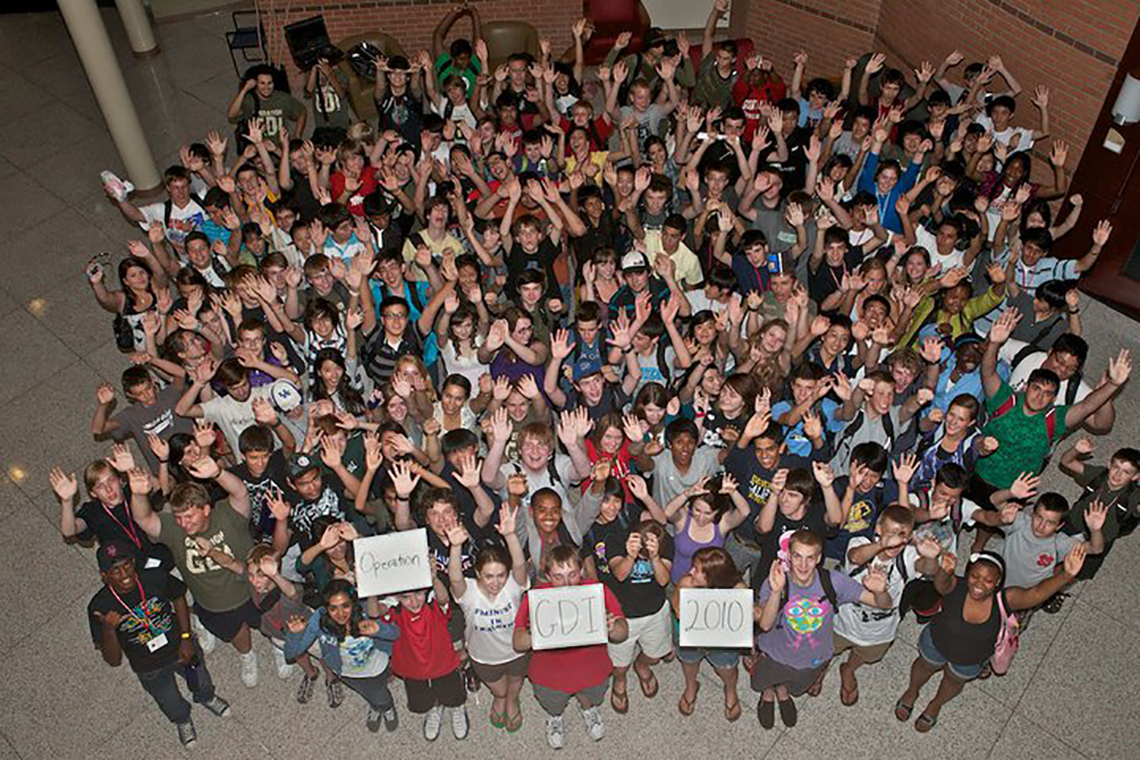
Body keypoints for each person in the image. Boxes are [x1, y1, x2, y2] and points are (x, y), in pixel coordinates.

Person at [895, 544, 1088, 732]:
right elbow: (941, 584)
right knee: (924, 666)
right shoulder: (957, 585)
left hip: (971, 658)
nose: (979, 584)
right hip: (936, 642)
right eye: (975, 576)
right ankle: (912, 691)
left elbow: (1034, 594)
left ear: (997, 582)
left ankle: (935, 704)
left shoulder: (1005, 599)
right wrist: (944, 571)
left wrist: (1065, 575)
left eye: (988, 580)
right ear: (967, 574)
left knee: (954, 681)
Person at [126, 459, 263, 687]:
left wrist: (218, 472)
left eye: (189, 516)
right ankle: (247, 654)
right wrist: (138, 495)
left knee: (270, 622)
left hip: (253, 585)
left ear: (206, 509)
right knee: (237, 634)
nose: (183, 523)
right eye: (178, 517)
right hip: (214, 601)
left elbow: (240, 492)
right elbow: (143, 519)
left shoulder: (228, 514)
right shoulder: (172, 528)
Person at [87, 540, 232, 748]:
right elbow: (113, 660)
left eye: (127, 564)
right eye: (115, 570)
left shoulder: (153, 577)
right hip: (148, 665)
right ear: (104, 575)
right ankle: (182, 720)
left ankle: (207, 697)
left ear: (134, 562)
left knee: (201, 679)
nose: (124, 574)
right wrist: (109, 629)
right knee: (169, 701)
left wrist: (186, 637)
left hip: (178, 645)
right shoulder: (99, 606)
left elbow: (179, 597)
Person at [752, 529, 892, 728]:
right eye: (797, 556)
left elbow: (884, 604)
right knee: (763, 681)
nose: (802, 565)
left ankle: (782, 691)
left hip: (813, 655)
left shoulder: (833, 582)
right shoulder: (776, 581)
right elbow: (765, 624)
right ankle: (768, 692)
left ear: (818, 558)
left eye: (810, 558)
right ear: (789, 556)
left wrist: (881, 592)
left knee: (797, 685)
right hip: (775, 652)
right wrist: (775, 592)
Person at [512, 546, 629, 749]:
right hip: (549, 674)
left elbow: (623, 632)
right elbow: (517, 642)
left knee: (590, 697)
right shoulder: (536, 597)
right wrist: (536, 632)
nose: (566, 583)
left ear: (582, 571)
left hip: (593, 668)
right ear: (548, 576)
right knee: (553, 704)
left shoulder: (597, 591)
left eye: (572, 574)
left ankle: (588, 710)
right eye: (558, 577)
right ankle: (555, 717)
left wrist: (613, 627)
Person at [448, 505, 529, 733]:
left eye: (501, 575)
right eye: (489, 576)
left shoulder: (513, 586)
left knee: (515, 682)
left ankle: (512, 700)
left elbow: (520, 565)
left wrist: (510, 535)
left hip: (517, 651)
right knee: (499, 688)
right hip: (483, 656)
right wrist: (455, 547)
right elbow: (455, 578)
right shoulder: (469, 592)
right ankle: (501, 698)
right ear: (477, 573)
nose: (496, 582)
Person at [284, 580, 401, 732]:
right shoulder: (320, 621)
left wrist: (378, 629)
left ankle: (385, 707)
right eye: (333, 608)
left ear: (354, 603)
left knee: (380, 694)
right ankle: (376, 705)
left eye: (345, 606)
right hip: (345, 672)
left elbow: (396, 634)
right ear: (326, 609)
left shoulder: (366, 611)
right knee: (365, 692)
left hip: (376, 668)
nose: (340, 614)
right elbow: (291, 654)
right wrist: (295, 634)